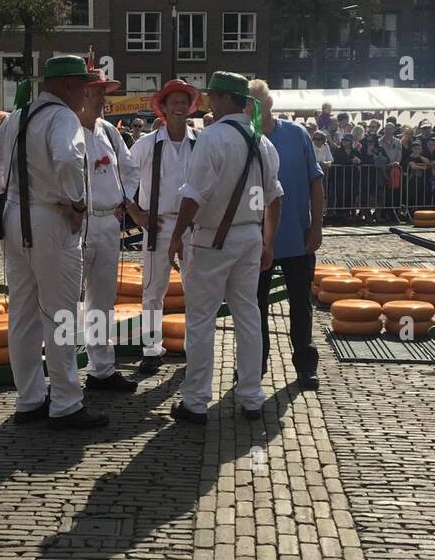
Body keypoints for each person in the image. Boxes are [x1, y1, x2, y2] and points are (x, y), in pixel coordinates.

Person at [0, 55, 106, 429]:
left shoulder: (18, 116)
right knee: (61, 313)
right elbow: (67, 158)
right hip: (50, 218)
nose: (86, 93)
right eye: (83, 86)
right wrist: (76, 202)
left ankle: (30, 399)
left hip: (15, 217)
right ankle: (66, 402)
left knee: (23, 314)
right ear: (67, 86)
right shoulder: (63, 117)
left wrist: (6, 187)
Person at [169, 71, 282, 425]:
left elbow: (194, 194)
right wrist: (268, 241)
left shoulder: (213, 137)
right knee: (248, 315)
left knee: (201, 319)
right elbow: (274, 197)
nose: (209, 103)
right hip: (250, 236)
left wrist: (176, 234)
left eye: (213, 96)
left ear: (225, 99)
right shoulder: (263, 142)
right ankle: (251, 396)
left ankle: (195, 401)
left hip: (212, 238)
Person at [248, 79, 321, 391]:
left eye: (259, 101)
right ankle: (255, 364)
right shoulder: (242, 137)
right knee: (255, 307)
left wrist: (316, 225)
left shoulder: (296, 134)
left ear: (270, 103)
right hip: (255, 240)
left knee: (301, 304)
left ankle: (305, 365)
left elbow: (315, 181)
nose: (254, 108)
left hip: (296, 236)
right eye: (248, 102)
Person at [128, 78, 200, 374]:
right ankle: (151, 349)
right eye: (174, 103)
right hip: (157, 224)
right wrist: (136, 214)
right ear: (164, 109)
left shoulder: (201, 142)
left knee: (196, 290)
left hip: (194, 226)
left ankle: (194, 347)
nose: (180, 107)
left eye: (184, 102)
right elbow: (122, 179)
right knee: (152, 290)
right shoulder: (146, 144)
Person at [77, 67, 140, 393]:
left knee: (102, 300)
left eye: (105, 91)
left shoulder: (109, 132)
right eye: (99, 91)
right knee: (64, 300)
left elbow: (130, 168)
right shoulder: (66, 128)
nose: (104, 98)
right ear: (83, 92)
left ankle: (101, 369)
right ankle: (62, 376)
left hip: (106, 223)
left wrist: (124, 200)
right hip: (74, 224)